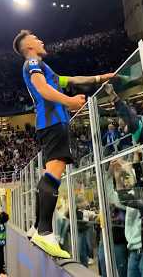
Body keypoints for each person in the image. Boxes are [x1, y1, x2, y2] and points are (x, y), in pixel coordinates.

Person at [13, 29, 114, 258]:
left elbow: (73, 80)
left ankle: (37, 227)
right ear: (29, 46)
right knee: (54, 174)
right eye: (36, 39)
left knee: (49, 174)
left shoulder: (45, 68)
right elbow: (42, 89)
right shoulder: (31, 62)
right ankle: (45, 232)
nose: (41, 40)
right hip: (53, 123)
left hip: (49, 125)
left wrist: (99, 78)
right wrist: (69, 101)